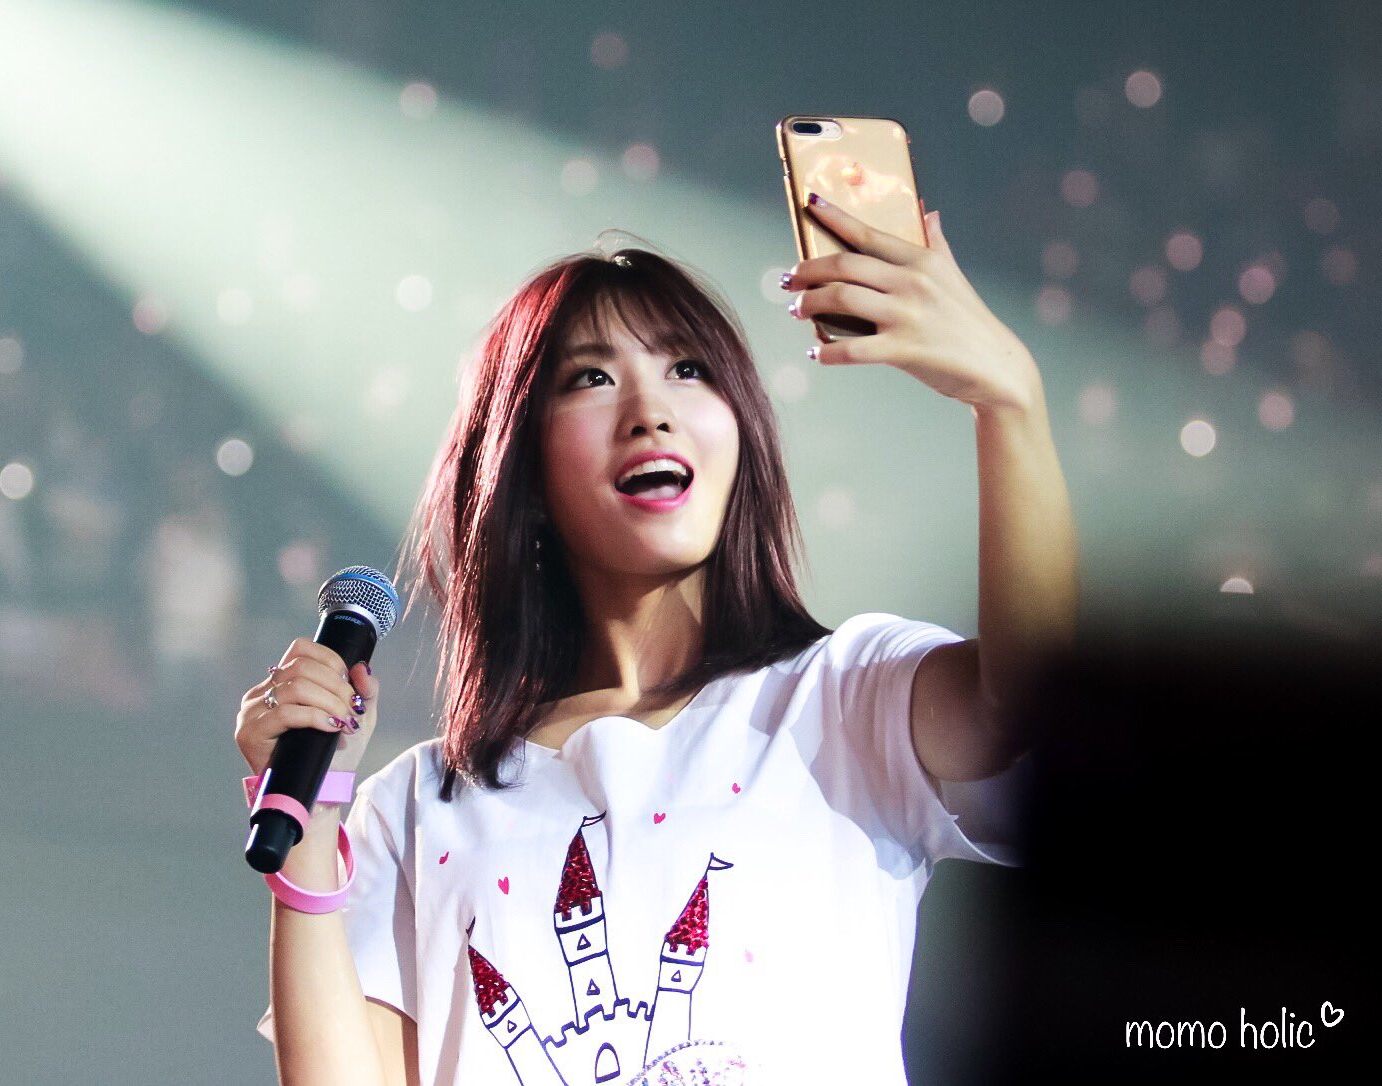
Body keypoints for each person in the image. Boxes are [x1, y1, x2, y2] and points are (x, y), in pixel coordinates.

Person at [234, 199, 1078, 1086]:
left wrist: (1008, 399)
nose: (650, 412)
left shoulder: (844, 698)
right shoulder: (416, 806)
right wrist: (309, 832)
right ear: (522, 467)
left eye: (687, 369)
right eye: (591, 378)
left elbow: (1030, 711)